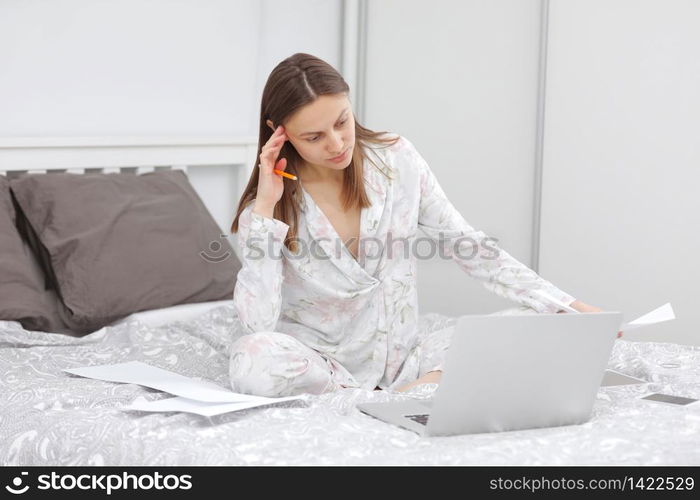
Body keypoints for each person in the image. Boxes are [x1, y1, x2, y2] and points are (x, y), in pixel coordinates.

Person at [228, 52, 618, 397]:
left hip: (407, 362)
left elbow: (465, 243)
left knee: (540, 321)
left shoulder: (396, 159)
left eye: (342, 122)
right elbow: (257, 324)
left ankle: (419, 386)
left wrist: (565, 304)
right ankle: (370, 398)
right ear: (280, 135)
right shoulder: (265, 212)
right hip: (325, 368)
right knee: (254, 359)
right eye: (313, 137)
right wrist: (266, 205)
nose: (336, 143)